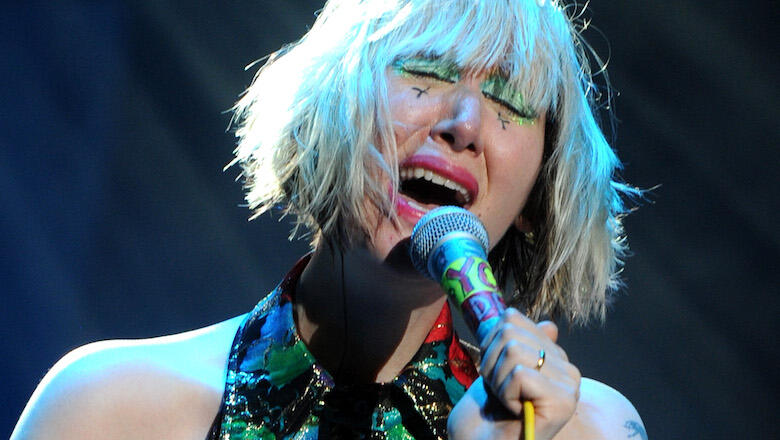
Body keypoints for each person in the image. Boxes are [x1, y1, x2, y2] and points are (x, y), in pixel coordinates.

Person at [12, 0, 646, 438]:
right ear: (329, 109)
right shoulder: (107, 409)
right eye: (426, 70)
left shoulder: (590, 430)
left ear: (538, 196)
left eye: (509, 101)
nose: (466, 123)